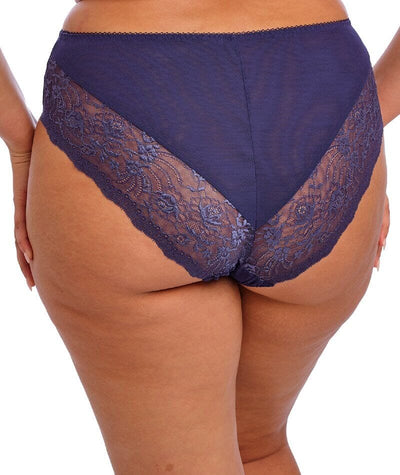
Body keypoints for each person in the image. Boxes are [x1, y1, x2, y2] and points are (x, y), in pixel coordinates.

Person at [1, 1, 397, 473]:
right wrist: (357, 130)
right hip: (319, 97)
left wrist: (21, 144)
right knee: (258, 448)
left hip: (128, 91)